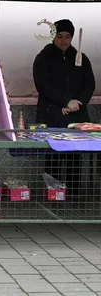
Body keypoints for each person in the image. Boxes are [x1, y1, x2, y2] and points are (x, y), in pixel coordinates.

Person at [33, 19, 95, 193]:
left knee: (74, 156)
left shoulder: (80, 58)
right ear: (53, 36)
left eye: (68, 37)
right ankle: (53, 194)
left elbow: (89, 84)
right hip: (51, 114)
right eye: (59, 36)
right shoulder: (43, 58)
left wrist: (78, 102)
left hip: (76, 116)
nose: (63, 40)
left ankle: (74, 195)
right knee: (53, 155)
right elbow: (43, 85)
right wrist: (66, 101)